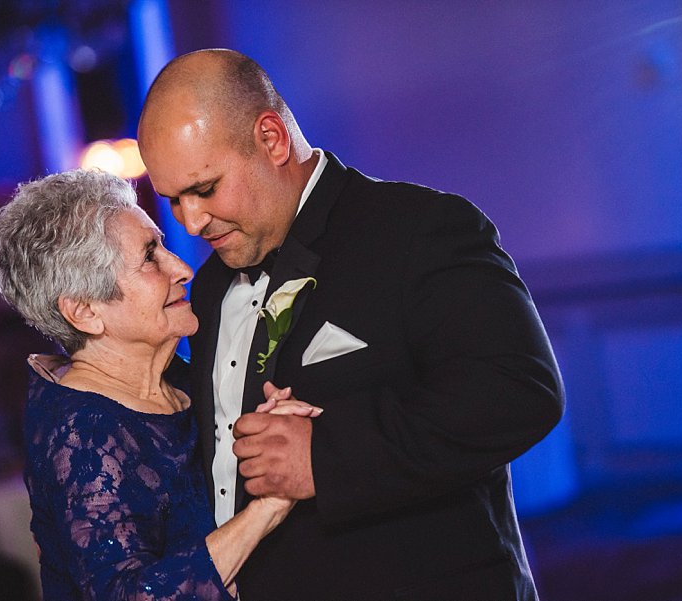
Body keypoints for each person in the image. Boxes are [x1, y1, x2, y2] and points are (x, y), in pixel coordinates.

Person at [137, 48, 565, 601]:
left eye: (205, 189)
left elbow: (520, 391)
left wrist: (323, 456)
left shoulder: (420, 230)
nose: (191, 222)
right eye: (174, 200)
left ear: (271, 139)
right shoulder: (212, 284)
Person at [0, 169, 320, 600]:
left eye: (161, 245)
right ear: (85, 312)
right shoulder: (82, 432)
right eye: (150, 257)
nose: (183, 269)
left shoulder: (178, 377)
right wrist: (268, 508)